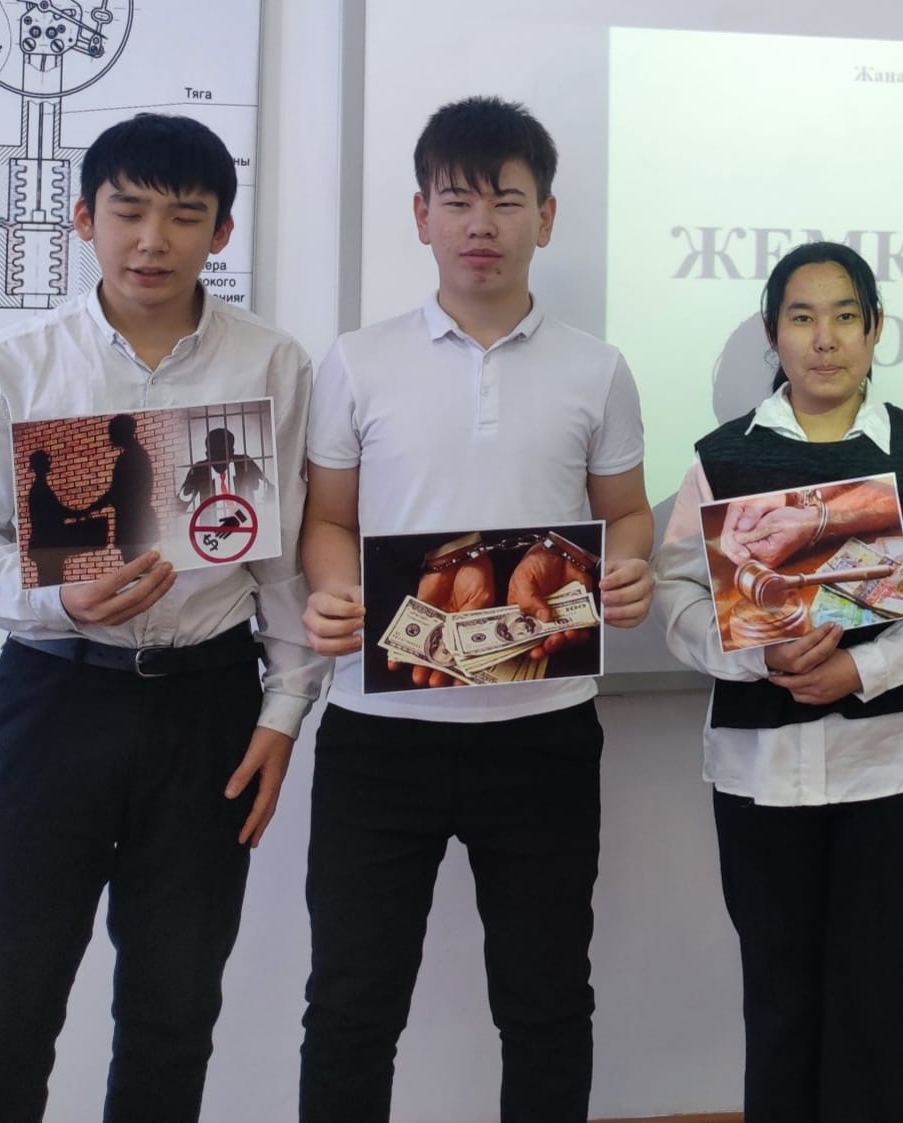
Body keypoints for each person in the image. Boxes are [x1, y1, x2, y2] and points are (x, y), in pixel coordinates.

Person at [0, 112, 318, 1123]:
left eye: (185, 216)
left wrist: (282, 714)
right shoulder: (14, 364)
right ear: (82, 218)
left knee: (174, 1008)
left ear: (222, 232)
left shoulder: (272, 363)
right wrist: (53, 596)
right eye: (128, 211)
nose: (153, 240)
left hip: (207, 704)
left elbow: (280, 561)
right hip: (52, 698)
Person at [295, 95, 654, 1123]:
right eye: (457, 200)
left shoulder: (597, 367)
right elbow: (328, 520)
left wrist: (629, 570)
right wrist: (334, 589)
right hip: (379, 730)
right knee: (352, 1004)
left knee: (546, 1002)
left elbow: (626, 514)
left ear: (548, 216)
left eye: (506, 199)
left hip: (542, 733)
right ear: (421, 216)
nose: (481, 224)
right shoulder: (357, 359)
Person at [652, 240, 903, 1123]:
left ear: (875, 330)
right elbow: (676, 593)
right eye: (802, 317)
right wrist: (752, 655)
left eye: (844, 316)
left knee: (886, 1002)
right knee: (781, 999)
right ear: (774, 333)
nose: (824, 338)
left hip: (889, 765)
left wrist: (862, 668)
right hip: (759, 775)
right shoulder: (721, 456)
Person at [23, 448, 110, 586]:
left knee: (49, 582)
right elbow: (58, 512)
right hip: (48, 546)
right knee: (51, 582)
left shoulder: (40, 488)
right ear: (41, 465)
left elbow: (57, 511)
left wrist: (79, 514)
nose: (49, 463)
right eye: (46, 461)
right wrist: (81, 513)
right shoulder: (40, 489)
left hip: (45, 546)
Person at [90, 412, 158, 561]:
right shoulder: (138, 455)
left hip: (132, 525)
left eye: (112, 433)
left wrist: (89, 509)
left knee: (135, 566)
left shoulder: (128, 458)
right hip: (139, 523)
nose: (110, 437)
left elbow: (115, 493)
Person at [179, 426, 272, 505]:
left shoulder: (244, 463)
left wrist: (256, 485)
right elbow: (181, 503)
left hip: (243, 518)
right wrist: (190, 483)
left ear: (232, 452)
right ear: (207, 455)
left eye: (223, 452)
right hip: (212, 521)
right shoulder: (199, 470)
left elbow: (269, 491)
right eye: (215, 453)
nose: (219, 458)